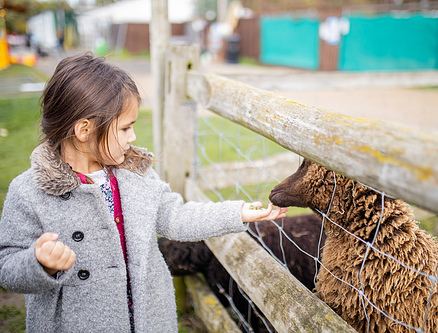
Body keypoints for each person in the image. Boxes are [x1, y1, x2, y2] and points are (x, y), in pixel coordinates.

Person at [0, 52, 288, 332]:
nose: (133, 137)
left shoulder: (134, 174)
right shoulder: (30, 192)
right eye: (125, 128)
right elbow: (7, 265)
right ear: (84, 129)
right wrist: (40, 265)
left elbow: (175, 216)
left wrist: (235, 212)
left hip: (147, 318)